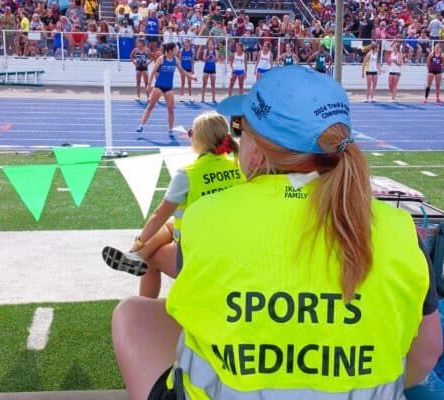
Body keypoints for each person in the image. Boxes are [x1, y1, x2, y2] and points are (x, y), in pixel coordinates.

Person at [111, 66, 442, 400]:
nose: (236, 139)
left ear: (257, 151)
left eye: (240, 129)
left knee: (134, 313)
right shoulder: (400, 230)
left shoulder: (205, 218)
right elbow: (425, 355)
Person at [103, 112, 244, 298]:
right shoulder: (239, 165)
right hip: (234, 247)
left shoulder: (188, 173)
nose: (189, 134)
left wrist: (138, 242)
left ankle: (143, 299)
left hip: (199, 255)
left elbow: (158, 215)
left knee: (151, 261)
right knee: (169, 224)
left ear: (199, 137)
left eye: (191, 131)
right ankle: (136, 257)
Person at [136, 42, 196, 137]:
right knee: (150, 106)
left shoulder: (176, 60)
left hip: (169, 88)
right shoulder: (161, 59)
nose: (177, 50)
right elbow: (153, 71)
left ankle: (170, 130)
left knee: (171, 110)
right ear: (170, 50)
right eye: (176, 49)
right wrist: (149, 84)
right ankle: (141, 125)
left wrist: (191, 77)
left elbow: (182, 71)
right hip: (158, 86)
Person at [131, 38, 152, 102]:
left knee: (146, 83)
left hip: (144, 67)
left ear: (142, 43)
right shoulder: (135, 50)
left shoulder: (147, 50)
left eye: (138, 42)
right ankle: (138, 96)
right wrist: (134, 62)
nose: (137, 43)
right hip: (138, 67)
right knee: (138, 82)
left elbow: (152, 57)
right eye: (137, 42)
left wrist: (148, 63)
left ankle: (148, 97)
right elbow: (131, 56)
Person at [201, 38, 218, 103]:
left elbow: (216, 60)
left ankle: (213, 98)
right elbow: (204, 60)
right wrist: (208, 56)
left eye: (211, 44)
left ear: (214, 45)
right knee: (204, 84)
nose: (210, 45)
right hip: (206, 69)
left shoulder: (215, 51)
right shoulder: (206, 51)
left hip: (213, 69)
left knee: (213, 85)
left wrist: (213, 56)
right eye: (209, 44)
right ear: (208, 45)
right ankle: (202, 98)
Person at [179, 38, 195, 103]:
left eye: (186, 42)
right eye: (184, 42)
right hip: (183, 68)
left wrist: (192, 68)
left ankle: (190, 97)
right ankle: (182, 96)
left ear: (189, 43)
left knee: (189, 83)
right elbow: (180, 60)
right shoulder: (181, 50)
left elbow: (192, 60)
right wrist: (180, 68)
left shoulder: (192, 51)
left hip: (189, 69)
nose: (185, 43)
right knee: (182, 83)